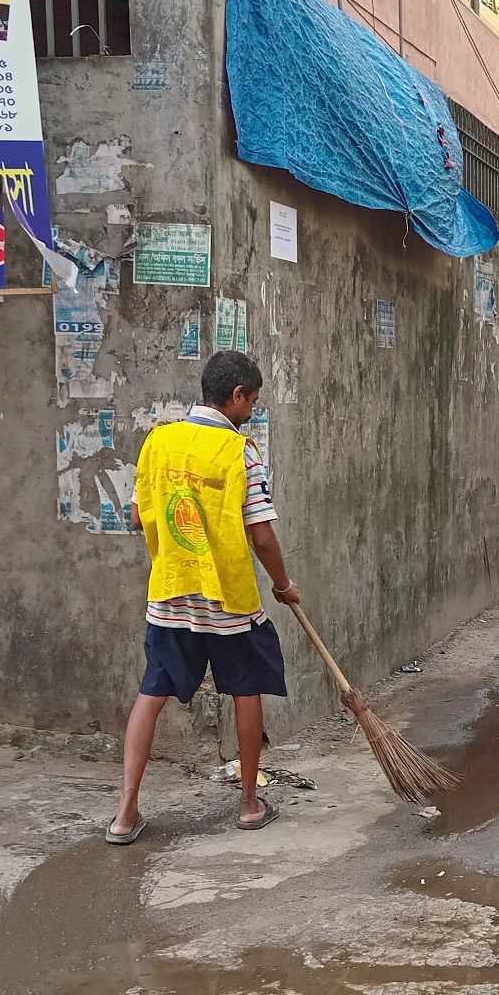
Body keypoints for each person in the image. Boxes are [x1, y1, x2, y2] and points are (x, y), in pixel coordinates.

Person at [106, 351, 300, 845]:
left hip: (172, 594)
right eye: (251, 400)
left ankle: (125, 815)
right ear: (236, 396)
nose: (251, 410)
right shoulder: (240, 453)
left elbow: (137, 517)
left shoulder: (159, 442)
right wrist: (281, 584)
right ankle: (251, 805)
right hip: (229, 600)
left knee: (151, 694)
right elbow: (261, 534)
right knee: (246, 687)